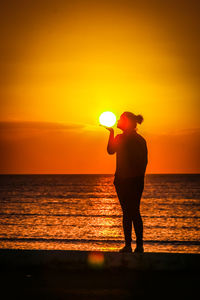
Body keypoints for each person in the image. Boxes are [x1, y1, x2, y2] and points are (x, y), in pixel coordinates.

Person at [104, 111, 148, 253]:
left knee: (132, 212)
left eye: (121, 119)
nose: (117, 120)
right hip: (126, 181)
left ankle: (136, 245)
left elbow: (143, 162)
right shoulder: (125, 138)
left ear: (127, 122)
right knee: (130, 212)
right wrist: (111, 132)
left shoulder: (135, 140)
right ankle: (131, 245)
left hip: (131, 181)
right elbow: (111, 151)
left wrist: (135, 177)